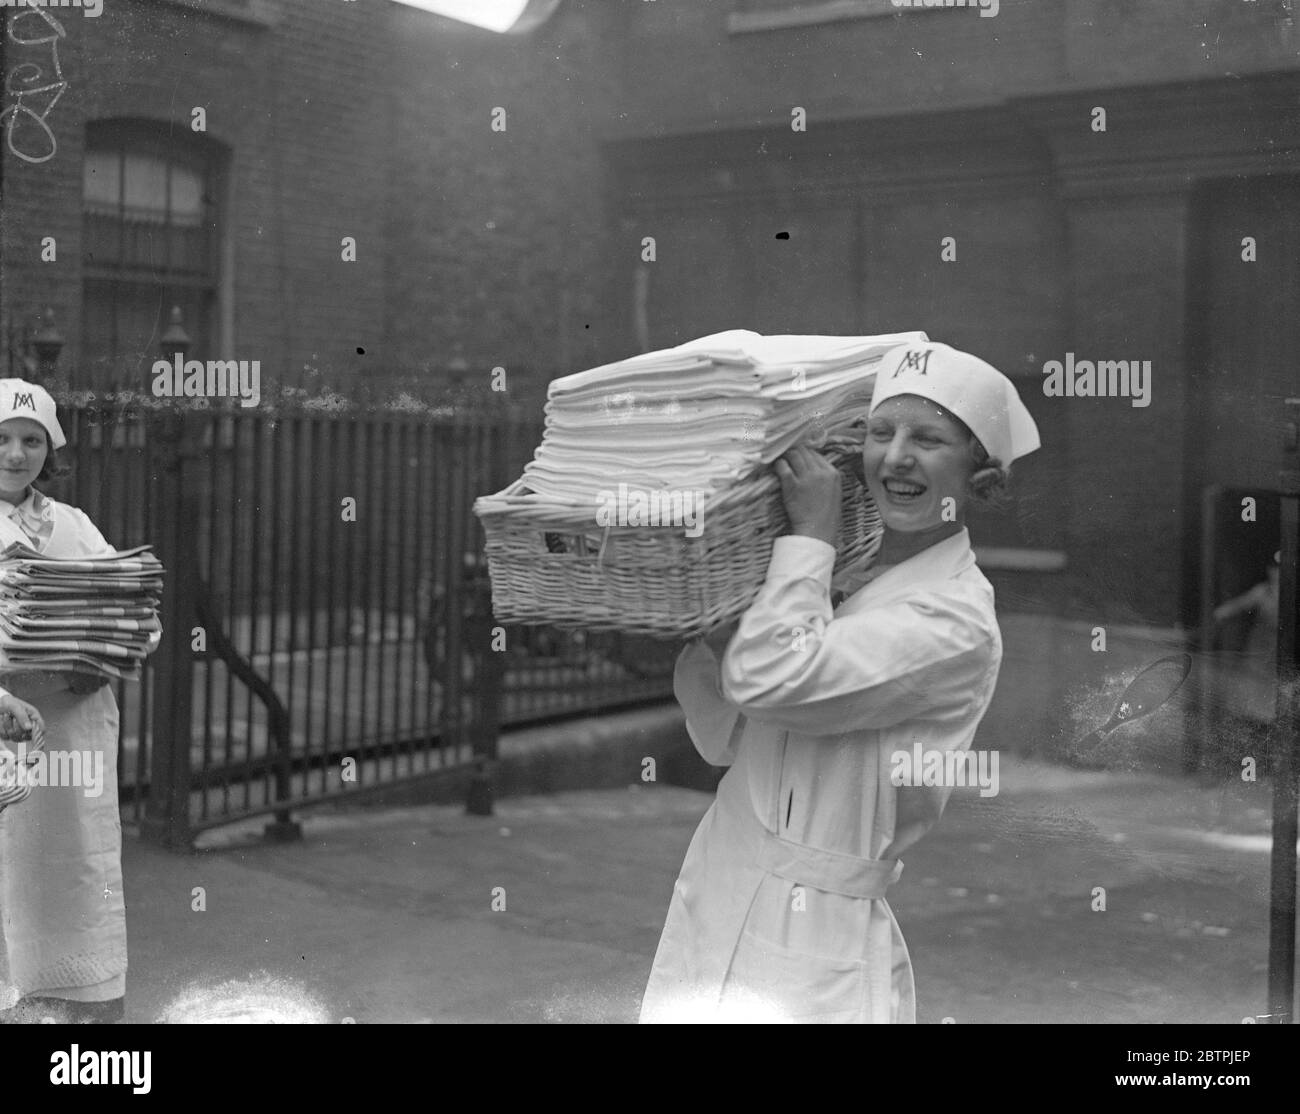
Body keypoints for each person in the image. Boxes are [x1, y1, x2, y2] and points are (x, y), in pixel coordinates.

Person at [640, 342, 1041, 1023]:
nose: (896, 457)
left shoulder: (952, 620)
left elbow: (776, 683)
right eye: (881, 433)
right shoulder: (849, 587)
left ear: (981, 478)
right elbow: (730, 741)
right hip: (716, 888)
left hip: (816, 933)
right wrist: (707, 615)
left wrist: (811, 538)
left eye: (929, 438)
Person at [0, 380, 125, 1024]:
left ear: (50, 450)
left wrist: (101, 657)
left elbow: (136, 614)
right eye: (2, 439)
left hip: (72, 733)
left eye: (31, 441)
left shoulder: (74, 527)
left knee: (73, 877)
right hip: (5, 736)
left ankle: (81, 1035)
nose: (16, 453)